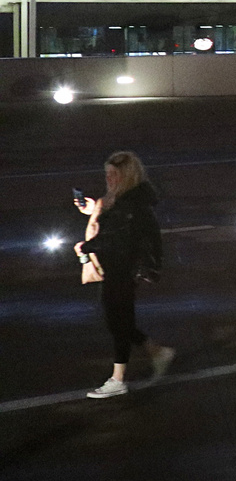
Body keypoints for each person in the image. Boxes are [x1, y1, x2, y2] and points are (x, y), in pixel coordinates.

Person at [74, 151, 173, 399]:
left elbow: (116, 238)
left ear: (126, 176)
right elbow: (114, 225)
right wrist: (94, 208)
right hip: (117, 267)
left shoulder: (130, 203)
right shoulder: (124, 199)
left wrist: (87, 247)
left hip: (124, 267)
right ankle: (158, 352)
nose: (108, 179)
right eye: (106, 174)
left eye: (114, 175)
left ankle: (118, 380)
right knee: (118, 321)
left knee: (119, 322)